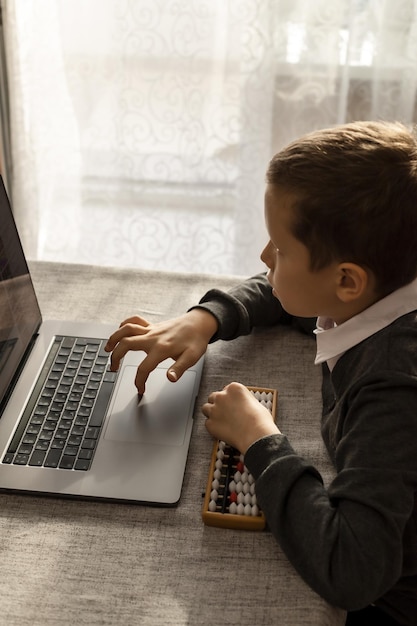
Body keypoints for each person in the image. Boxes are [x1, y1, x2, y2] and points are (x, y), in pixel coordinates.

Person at [105, 121, 417, 626]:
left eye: (281, 248)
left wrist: (260, 439)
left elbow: (354, 571)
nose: (264, 257)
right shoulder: (382, 286)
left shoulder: (394, 388)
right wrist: (202, 319)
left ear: (347, 280)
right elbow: (291, 294)